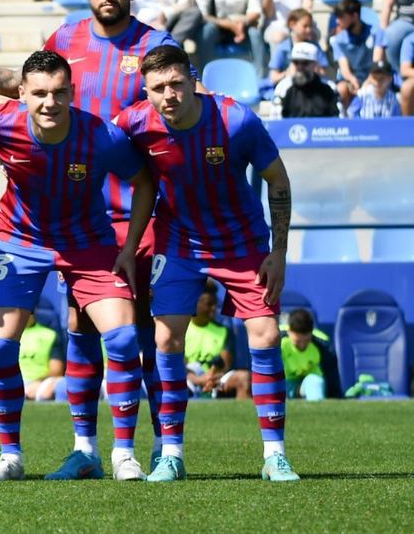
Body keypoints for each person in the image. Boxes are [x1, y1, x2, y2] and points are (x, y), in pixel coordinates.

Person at [0, 0, 191, 474]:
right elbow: (18, 85)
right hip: (56, 218)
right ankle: (84, 449)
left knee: (145, 334)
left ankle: (159, 450)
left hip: (124, 217)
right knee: (78, 329)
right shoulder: (63, 43)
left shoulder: (156, 47)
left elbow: (182, 100)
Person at [0, 50, 156, 484]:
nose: (49, 103)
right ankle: (11, 457)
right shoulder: (5, 122)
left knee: (123, 337)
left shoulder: (100, 136)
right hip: (20, 242)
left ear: (72, 93)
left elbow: (145, 181)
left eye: (59, 93)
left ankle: (124, 454)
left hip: (88, 244)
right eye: (38, 94)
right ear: (21, 94)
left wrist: (129, 246)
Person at [117, 44, 299, 483]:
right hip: (178, 242)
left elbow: (278, 179)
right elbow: (93, 149)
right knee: (165, 339)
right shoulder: (134, 122)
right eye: (158, 87)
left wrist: (279, 252)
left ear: (193, 80)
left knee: (267, 332)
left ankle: (274, 455)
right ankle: (171, 454)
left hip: (242, 243)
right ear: (146, 90)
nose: (169, 95)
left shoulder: (236, 120)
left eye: (177, 83)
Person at [184, 287, 249, 399]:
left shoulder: (223, 331)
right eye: (209, 304)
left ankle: (240, 415)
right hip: (188, 379)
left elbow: (226, 365)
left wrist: (211, 378)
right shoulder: (181, 329)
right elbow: (177, 364)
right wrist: (198, 380)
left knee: (244, 378)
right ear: (195, 303)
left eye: (215, 304)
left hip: (216, 379)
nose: (214, 309)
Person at [330, 0, 386, 109]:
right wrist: (353, 81)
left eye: (341, 17)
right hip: (353, 79)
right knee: (341, 89)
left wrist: (368, 82)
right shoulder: (338, 40)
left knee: (376, 87)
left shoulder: (376, 32)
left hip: (375, 76)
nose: (337, 21)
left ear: (355, 16)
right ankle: (346, 123)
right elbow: (344, 69)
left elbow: (377, 61)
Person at [278, 42, 340, 117]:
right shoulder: (283, 88)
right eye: (296, 62)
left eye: (305, 63)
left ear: (315, 64)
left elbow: (337, 119)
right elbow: (277, 120)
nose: (300, 67)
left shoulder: (329, 89)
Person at [269, 10, 327, 86]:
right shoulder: (282, 48)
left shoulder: (315, 47)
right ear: (292, 25)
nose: (309, 30)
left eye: (310, 26)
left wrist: (312, 70)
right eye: (305, 26)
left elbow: (323, 72)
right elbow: (274, 77)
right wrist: (289, 73)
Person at [16, 313, 66, 402]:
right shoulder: (6, 336)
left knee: (59, 385)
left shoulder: (50, 335)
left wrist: (38, 382)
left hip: (40, 383)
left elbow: (57, 370)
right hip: (12, 381)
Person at [281, 308, 327, 401]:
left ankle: (316, 410)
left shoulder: (323, 344)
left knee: (315, 381)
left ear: (312, 332)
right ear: (289, 331)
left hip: (309, 384)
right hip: (284, 384)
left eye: (306, 340)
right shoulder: (276, 341)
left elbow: (331, 373)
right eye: (297, 341)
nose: (302, 345)